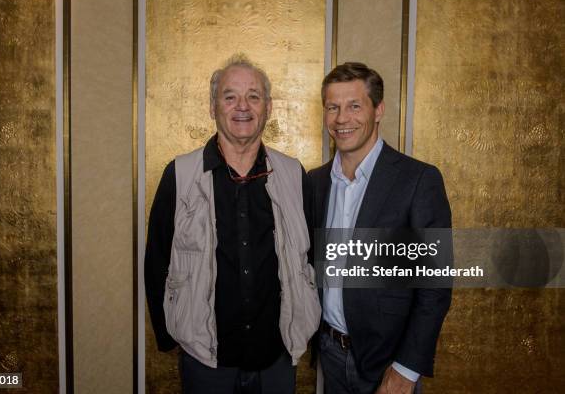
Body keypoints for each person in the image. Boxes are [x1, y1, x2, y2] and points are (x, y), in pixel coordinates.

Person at [145, 54, 321, 394]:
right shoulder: (179, 175)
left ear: (268, 107)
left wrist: (309, 327)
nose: (243, 106)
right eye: (230, 96)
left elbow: (312, 259)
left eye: (253, 96)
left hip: (277, 359)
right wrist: (170, 336)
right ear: (213, 107)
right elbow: (157, 263)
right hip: (206, 363)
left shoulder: (294, 174)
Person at [309, 62, 452, 394]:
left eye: (354, 106)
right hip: (330, 354)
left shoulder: (418, 181)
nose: (342, 118)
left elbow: (435, 287)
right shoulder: (314, 183)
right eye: (333, 107)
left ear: (378, 110)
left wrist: (406, 370)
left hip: (389, 364)